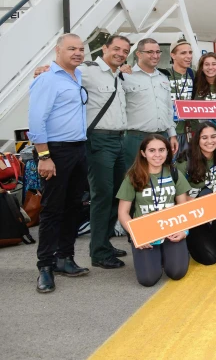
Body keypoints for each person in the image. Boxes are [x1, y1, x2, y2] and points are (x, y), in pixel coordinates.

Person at [28, 34, 91, 293]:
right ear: (57, 50)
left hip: (78, 149)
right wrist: (44, 157)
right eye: (71, 49)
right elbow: (36, 120)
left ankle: (65, 258)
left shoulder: (78, 76)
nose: (77, 53)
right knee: (52, 209)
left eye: (81, 49)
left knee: (74, 206)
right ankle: (45, 266)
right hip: (54, 150)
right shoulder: (47, 79)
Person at [116, 135, 191, 286]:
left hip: (172, 228)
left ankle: (167, 253)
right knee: (148, 279)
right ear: (143, 153)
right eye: (152, 150)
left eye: (162, 150)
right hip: (146, 232)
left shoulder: (174, 173)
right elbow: (123, 212)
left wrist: (184, 230)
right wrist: (136, 234)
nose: (157, 154)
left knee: (177, 273)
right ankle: (158, 256)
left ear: (168, 152)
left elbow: (184, 207)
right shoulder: (133, 176)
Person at [82, 35, 130, 270]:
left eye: (125, 51)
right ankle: (98, 252)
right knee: (102, 196)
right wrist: (46, 68)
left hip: (119, 140)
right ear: (104, 48)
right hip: (99, 141)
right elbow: (62, 71)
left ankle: (104, 243)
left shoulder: (118, 75)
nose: (121, 53)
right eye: (116, 49)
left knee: (116, 195)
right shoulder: (88, 71)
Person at [174, 123, 216, 265]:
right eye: (204, 137)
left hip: (214, 211)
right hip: (192, 214)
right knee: (210, 258)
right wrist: (199, 202)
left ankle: (211, 232)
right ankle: (193, 239)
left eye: (213, 136)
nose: (210, 141)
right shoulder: (185, 161)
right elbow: (176, 194)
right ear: (197, 139)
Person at [122, 38, 178, 168]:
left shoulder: (163, 78)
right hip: (136, 138)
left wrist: (172, 134)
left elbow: (168, 108)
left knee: (160, 178)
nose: (155, 56)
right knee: (134, 178)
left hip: (162, 136)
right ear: (139, 54)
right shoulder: (125, 76)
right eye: (150, 52)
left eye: (158, 52)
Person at [167, 39, 196, 153]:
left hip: (189, 130)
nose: (188, 56)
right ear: (173, 55)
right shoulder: (164, 74)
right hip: (170, 131)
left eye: (190, 52)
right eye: (183, 53)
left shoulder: (194, 74)